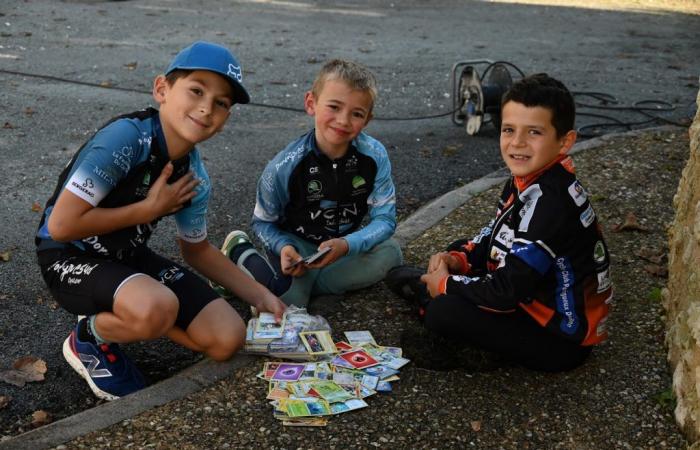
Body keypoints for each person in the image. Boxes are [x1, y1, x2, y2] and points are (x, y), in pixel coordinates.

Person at [35, 41, 286, 400]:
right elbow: (60, 226)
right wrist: (147, 211)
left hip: (126, 258)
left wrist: (263, 297)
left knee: (227, 339)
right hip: (67, 256)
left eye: (221, 103)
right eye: (196, 90)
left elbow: (197, 249)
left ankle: (141, 314)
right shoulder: (126, 139)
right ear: (162, 90)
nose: (206, 108)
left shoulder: (194, 175)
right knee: (158, 307)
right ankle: (90, 336)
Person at [387, 73, 613, 372]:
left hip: (560, 340)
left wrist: (445, 285)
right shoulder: (529, 177)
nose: (517, 143)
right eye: (509, 129)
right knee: (436, 262)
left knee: (443, 312)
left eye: (534, 132)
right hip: (528, 294)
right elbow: (496, 234)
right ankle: (437, 293)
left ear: (565, 142)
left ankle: (457, 331)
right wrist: (458, 259)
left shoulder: (552, 204)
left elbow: (507, 292)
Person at [212, 59, 402, 307]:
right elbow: (262, 223)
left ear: (367, 119)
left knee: (391, 254)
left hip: (340, 247)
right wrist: (284, 247)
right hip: (296, 248)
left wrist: (347, 245)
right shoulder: (283, 167)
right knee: (286, 303)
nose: (343, 121)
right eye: (334, 107)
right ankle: (238, 252)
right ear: (311, 103)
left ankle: (304, 285)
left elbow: (385, 220)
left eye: (357, 114)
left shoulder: (375, 155)